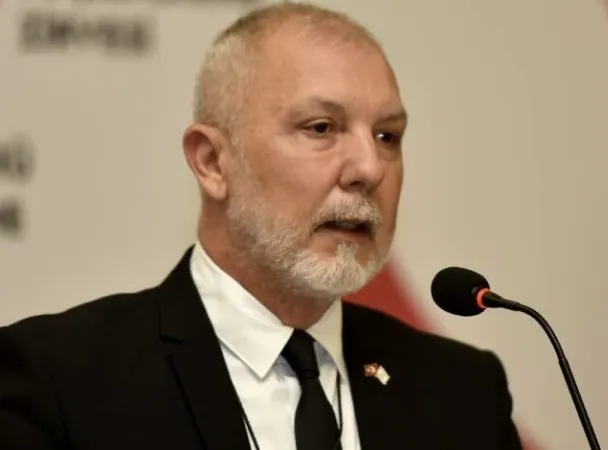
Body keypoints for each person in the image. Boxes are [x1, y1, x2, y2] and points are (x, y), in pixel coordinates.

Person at [0, 3, 522, 449]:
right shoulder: (60, 382)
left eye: (387, 136)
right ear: (212, 162)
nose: (369, 168)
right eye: (321, 127)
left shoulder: (465, 394)